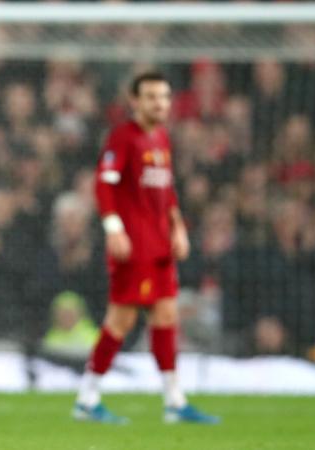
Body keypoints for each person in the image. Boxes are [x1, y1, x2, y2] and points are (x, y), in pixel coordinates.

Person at [74, 72, 219, 424]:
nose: (160, 103)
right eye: (152, 97)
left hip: (159, 247)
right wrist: (114, 229)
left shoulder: (161, 137)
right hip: (133, 247)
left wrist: (178, 227)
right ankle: (87, 399)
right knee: (121, 320)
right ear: (134, 101)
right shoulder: (124, 137)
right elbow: (104, 185)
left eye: (165, 97)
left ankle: (174, 401)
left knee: (166, 317)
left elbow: (166, 191)